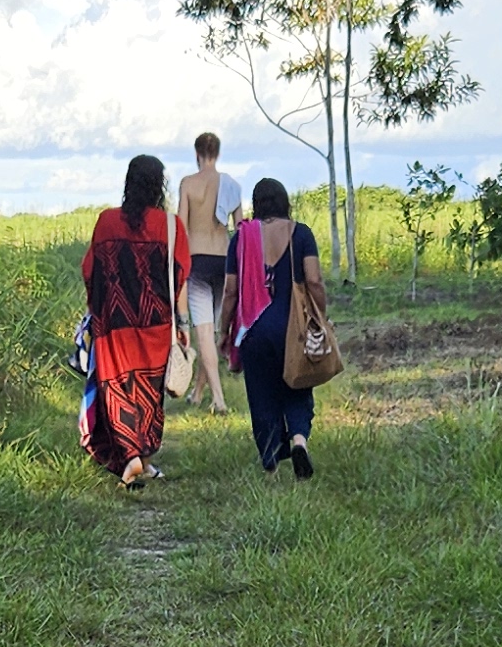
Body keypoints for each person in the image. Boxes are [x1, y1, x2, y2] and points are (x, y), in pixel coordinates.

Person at [81, 154, 191, 487]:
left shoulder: (106, 222)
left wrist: (95, 309)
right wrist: (183, 325)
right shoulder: (169, 225)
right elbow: (179, 278)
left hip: (113, 325)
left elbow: (90, 271)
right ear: (160, 186)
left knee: (116, 388)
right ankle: (140, 457)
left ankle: (131, 458)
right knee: (149, 394)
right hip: (155, 324)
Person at [217, 175, 328, 482]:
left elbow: (230, 291)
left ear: (257, 204)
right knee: (297, 385)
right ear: (284, 202)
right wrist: (320, 316)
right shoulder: (301, 233)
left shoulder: (241, 238)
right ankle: (299, 441)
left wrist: (224, 331)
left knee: (262, 393)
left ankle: (271, 463)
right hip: (293, 327)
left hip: (254, 330)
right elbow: (314, 280)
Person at [176, 128, 242, 415]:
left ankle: (219, 399)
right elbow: (240, 228)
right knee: (212, 330)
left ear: (197, 154)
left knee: (203, 332)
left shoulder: (188, 184)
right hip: (224, 261)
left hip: (198, 262)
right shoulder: (231, 185)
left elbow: (181, 227)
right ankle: (198, 392)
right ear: (217, 153)